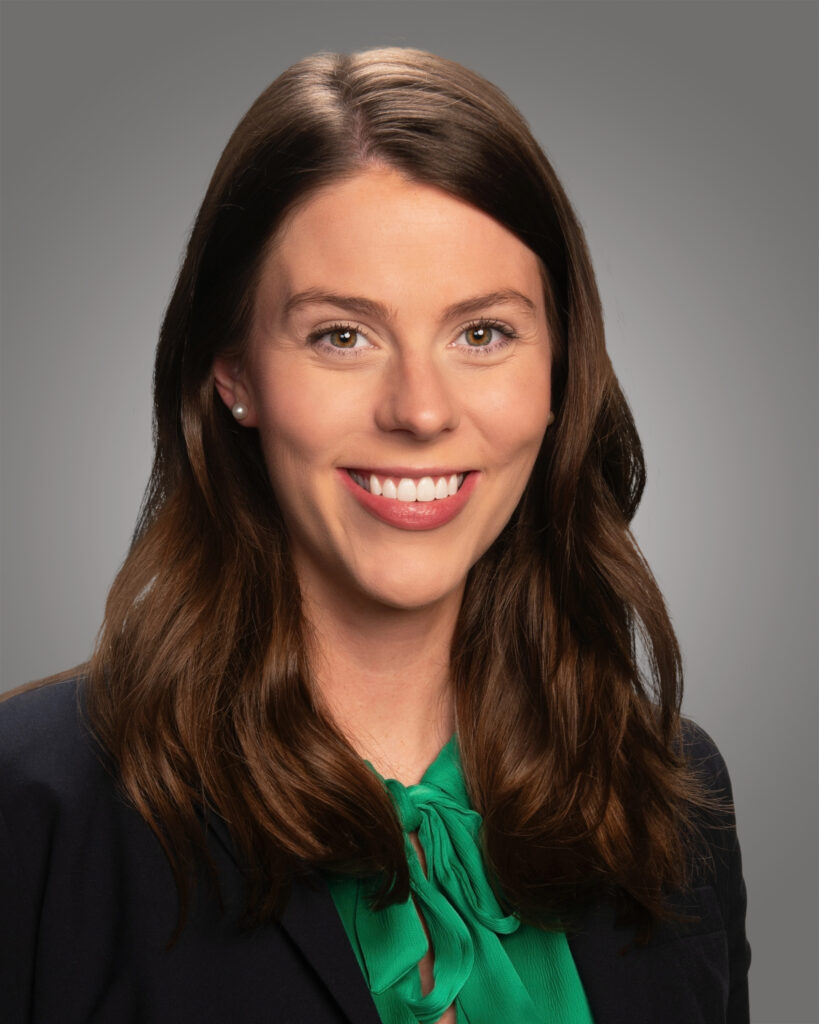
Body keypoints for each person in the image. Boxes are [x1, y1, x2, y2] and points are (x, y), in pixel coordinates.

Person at [0, 47, 750, 1024]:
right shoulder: (34, 806)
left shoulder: (671, 793)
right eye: (341, 335)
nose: (420, 410)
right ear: (232, 371)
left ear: (561, 370)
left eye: (482, 332)